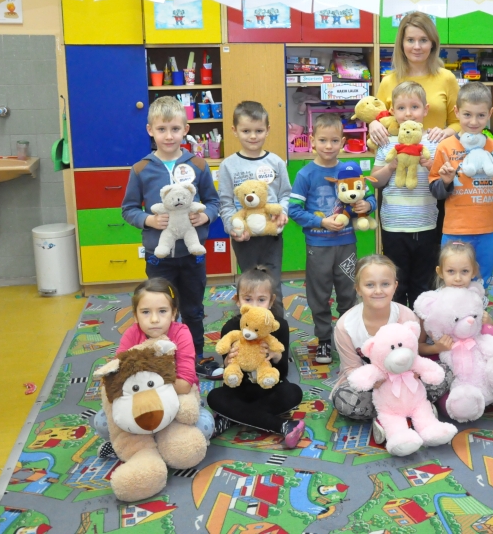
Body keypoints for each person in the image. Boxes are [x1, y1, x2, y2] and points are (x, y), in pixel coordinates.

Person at [121, 96, 222, 379]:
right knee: (159, 311)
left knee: (193, 309)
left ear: (185, 130)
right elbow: (128, 209)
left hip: (192, 255)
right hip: (159, 257)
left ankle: (196, 356)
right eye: (162, 129)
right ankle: (160, 357)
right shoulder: (141, 169)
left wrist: (206, 216)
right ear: (150, 130)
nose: (169, 136)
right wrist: (148, 220)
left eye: (175, 129)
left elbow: (213, 202)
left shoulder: (198, 165)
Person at [331, 255, 451, 443]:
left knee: (445, 371)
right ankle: (399, 414)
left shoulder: (407, 316)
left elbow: (413, 357)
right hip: (373, 387)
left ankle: (411, 410)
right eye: (370, 285)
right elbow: (351, 369)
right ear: (358, 288)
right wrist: (378, 383)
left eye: (385, 284)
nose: (378, 291)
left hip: (406, 383)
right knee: (343, 399)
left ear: (395, 286)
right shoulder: (345, 326)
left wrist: (415, 373)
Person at [288, 113, 376, 365]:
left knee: (349, 292)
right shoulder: (305, 174)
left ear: (343, 142)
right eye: (323, 140)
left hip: (346, 245)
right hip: (318, 246)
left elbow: (369, 197)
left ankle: (349, 338)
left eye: (334, 141)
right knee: (319, 294)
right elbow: (294, 210)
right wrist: (321, 222)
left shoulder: (350, 170)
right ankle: (324, 339)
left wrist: (368, 206)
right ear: (312, 141)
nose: (328, 146)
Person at [94, 278, 215, 456]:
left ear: (174, 313)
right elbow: (118, 376)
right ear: (135, 315)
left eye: (162, 311)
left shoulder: (181, 333)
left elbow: (184, 385)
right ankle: (148, 443)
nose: (154, 319)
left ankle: (147, 444)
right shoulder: (132, 334)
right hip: (140, 404)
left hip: (176, 399)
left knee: (205, 425)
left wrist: (147, 384)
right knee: (101, 422)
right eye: (145, 312)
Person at [429, 82, 493, 288]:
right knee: (453, 280)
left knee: (482, 280)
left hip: (487, 229)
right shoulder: (445, 147)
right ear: (456, 112)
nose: (474, 121)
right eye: (467, 114)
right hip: (455, 229)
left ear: (490, 114)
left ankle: (479, 309)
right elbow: (436, 191)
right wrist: (446, 181)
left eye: (481, 115)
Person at [207, 267, 306, 447]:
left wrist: (276, 357)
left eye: (261, 300)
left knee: (294, 393)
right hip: (239, 390)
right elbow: (229, 375)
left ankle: (231, 418)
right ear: (238, 301)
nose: (254, 306)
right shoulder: (230, 328)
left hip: (268, 389)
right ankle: (283, 426)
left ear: (271, 301)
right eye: (248, 299)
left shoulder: (279, 326)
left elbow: (282, 373)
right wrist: (228, 361)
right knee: (214, 397)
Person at [371, 81, 440, 308]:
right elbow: (375, 181)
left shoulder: (433, 143)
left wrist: (430, 165)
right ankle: (398, 325)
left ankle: (420, 326)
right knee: (396, 284)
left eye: (414, 107)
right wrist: (390, 167)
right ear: (392, 111)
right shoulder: (386, 144)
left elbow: (443, 180)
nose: (408, 113)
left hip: (426, 224)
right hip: (394, 225)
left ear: (426, 109)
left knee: (424, 284)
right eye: (401, 108)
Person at [217, 101, 291, 304]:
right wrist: (232, 227)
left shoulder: (276, 162)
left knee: (272, 285)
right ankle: (250, 322)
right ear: (234, 130)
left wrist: (283, 212)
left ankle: (276, 323)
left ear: (267, 130)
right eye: (246, 131)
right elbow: (225, 203)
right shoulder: (228, 165)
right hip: (244, 238)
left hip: (272, 235)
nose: (252, 136)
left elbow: (285, 194)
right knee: (248, 286)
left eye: (259, 131)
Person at [370, 12, 460, 147]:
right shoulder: (388, 81)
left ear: (432, 44)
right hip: (398, 156)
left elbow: (459, 122)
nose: (417, 47)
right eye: (410, 40)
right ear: (402, 44)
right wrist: (373, 124)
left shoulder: (447, 78)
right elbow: (378, 119)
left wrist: (445, 133)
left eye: (423, 40)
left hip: (436, 154)